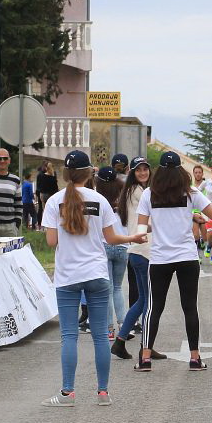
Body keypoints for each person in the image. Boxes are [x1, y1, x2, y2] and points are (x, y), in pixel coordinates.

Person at [134, 151, 212, 371]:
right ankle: (195, 358)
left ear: (160, 171)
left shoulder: (148, 194)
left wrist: (146, 233)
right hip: (186, 257)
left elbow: (141, 228)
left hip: (160, 259)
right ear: (181, 171)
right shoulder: (191, 193)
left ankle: (145, 358)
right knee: (190, 307)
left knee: (155, 307)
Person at [41, 150, 145, 408]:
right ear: (89, 173)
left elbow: (52, 241)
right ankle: (103, 393)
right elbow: (111, 238)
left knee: (69, 335)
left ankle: (67, 393)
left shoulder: (54, 202)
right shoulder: (100, 200)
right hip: (97, 274)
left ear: (65, 174)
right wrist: (131, 238)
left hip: (67, 276)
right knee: (100, 336)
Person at [111, 156, 152, 360]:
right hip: (143, 250)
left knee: (143, 300)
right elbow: (144, 225)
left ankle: (121, 341)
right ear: (132, 172)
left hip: (136, 251)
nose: (143, 173)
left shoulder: (130, 191)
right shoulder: (139, 192)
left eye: (145, 169)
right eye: (139, 170)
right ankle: (146, 347)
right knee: (149, 301)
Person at [94, 166, 129, 341]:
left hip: (104, 244)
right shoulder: (124, 195)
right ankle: (123, 325)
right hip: (123, 244)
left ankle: (109, 329)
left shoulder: (97, 197)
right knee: (117, 288)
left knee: (107, 290)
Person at [35, 160, 59, 227]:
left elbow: (39, 185)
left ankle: (41, 225)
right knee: (52, 210)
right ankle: (51, 224)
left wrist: (39, 193)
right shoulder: (53, 176)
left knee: (42, 210)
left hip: (43, 194)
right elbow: (55, 188)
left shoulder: (41, 175)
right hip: (51, 195)